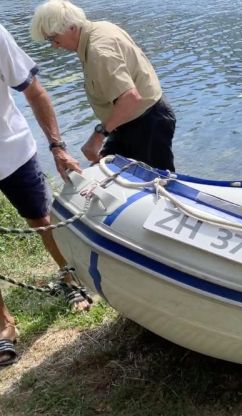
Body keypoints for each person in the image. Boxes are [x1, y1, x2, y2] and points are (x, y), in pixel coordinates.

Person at [1, 23, 92, 366]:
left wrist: (56, 146)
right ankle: (3, 324)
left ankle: (70, 277)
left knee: (42, 220)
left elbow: (35, 91)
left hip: (12, 152)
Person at [30, 0, 176, 171]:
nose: (54, 46)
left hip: (146, 125)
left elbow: (130, 97)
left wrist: (98, 136)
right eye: (49, 40)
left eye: (54, 38)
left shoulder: (98, 52)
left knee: (159, 187)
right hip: (129, 121)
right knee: (107, 173)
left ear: (71, 27)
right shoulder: (100, 28)